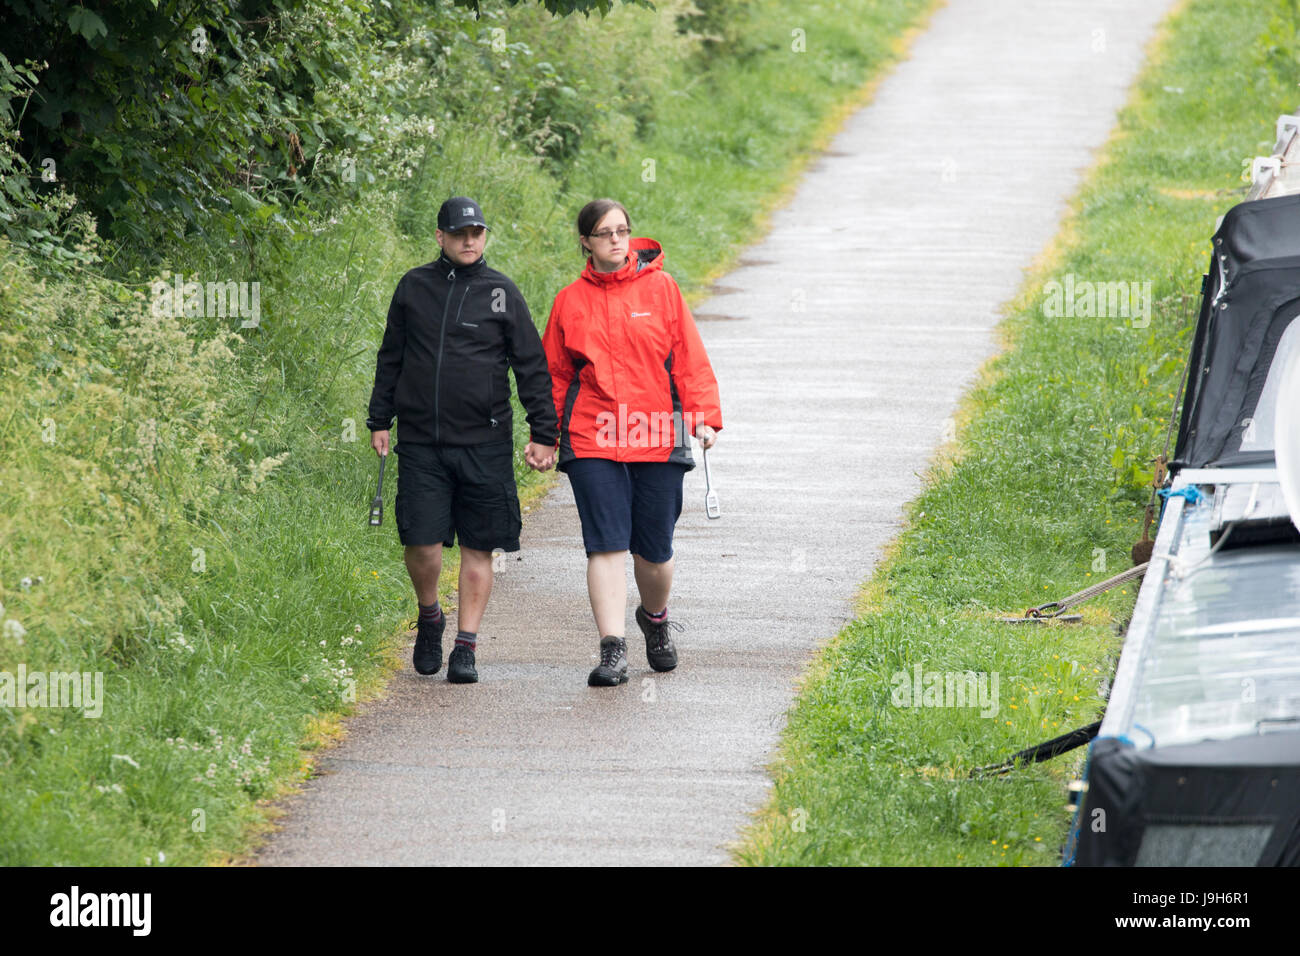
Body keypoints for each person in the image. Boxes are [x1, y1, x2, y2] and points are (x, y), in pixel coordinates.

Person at [367, 196, 557, 684]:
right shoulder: (414, 286)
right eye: (459, 234)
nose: (469, 241)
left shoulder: (501, 293)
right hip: (424, 442)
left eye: (477, 233)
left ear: (484, 236)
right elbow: (391, 355)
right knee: (421, 543)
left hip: (484, 443)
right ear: (440, 238)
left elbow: (530, 365)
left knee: (479, 545)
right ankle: (430, 615)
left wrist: (544, 431)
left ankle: (466, 646)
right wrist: (379, 418)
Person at [541, 198, 722, 687]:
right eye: (604, 233)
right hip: (593, 435)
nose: (616, 240)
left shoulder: (662, 290)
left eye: (622, 230)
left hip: (656, 434)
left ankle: (655, 619)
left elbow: (688, 360)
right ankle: (612, 648)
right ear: (586, 242)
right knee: (604, 545)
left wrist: (704, 419)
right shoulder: (569, 301)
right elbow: (555, 376)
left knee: (654, 553)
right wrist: (545, 434)